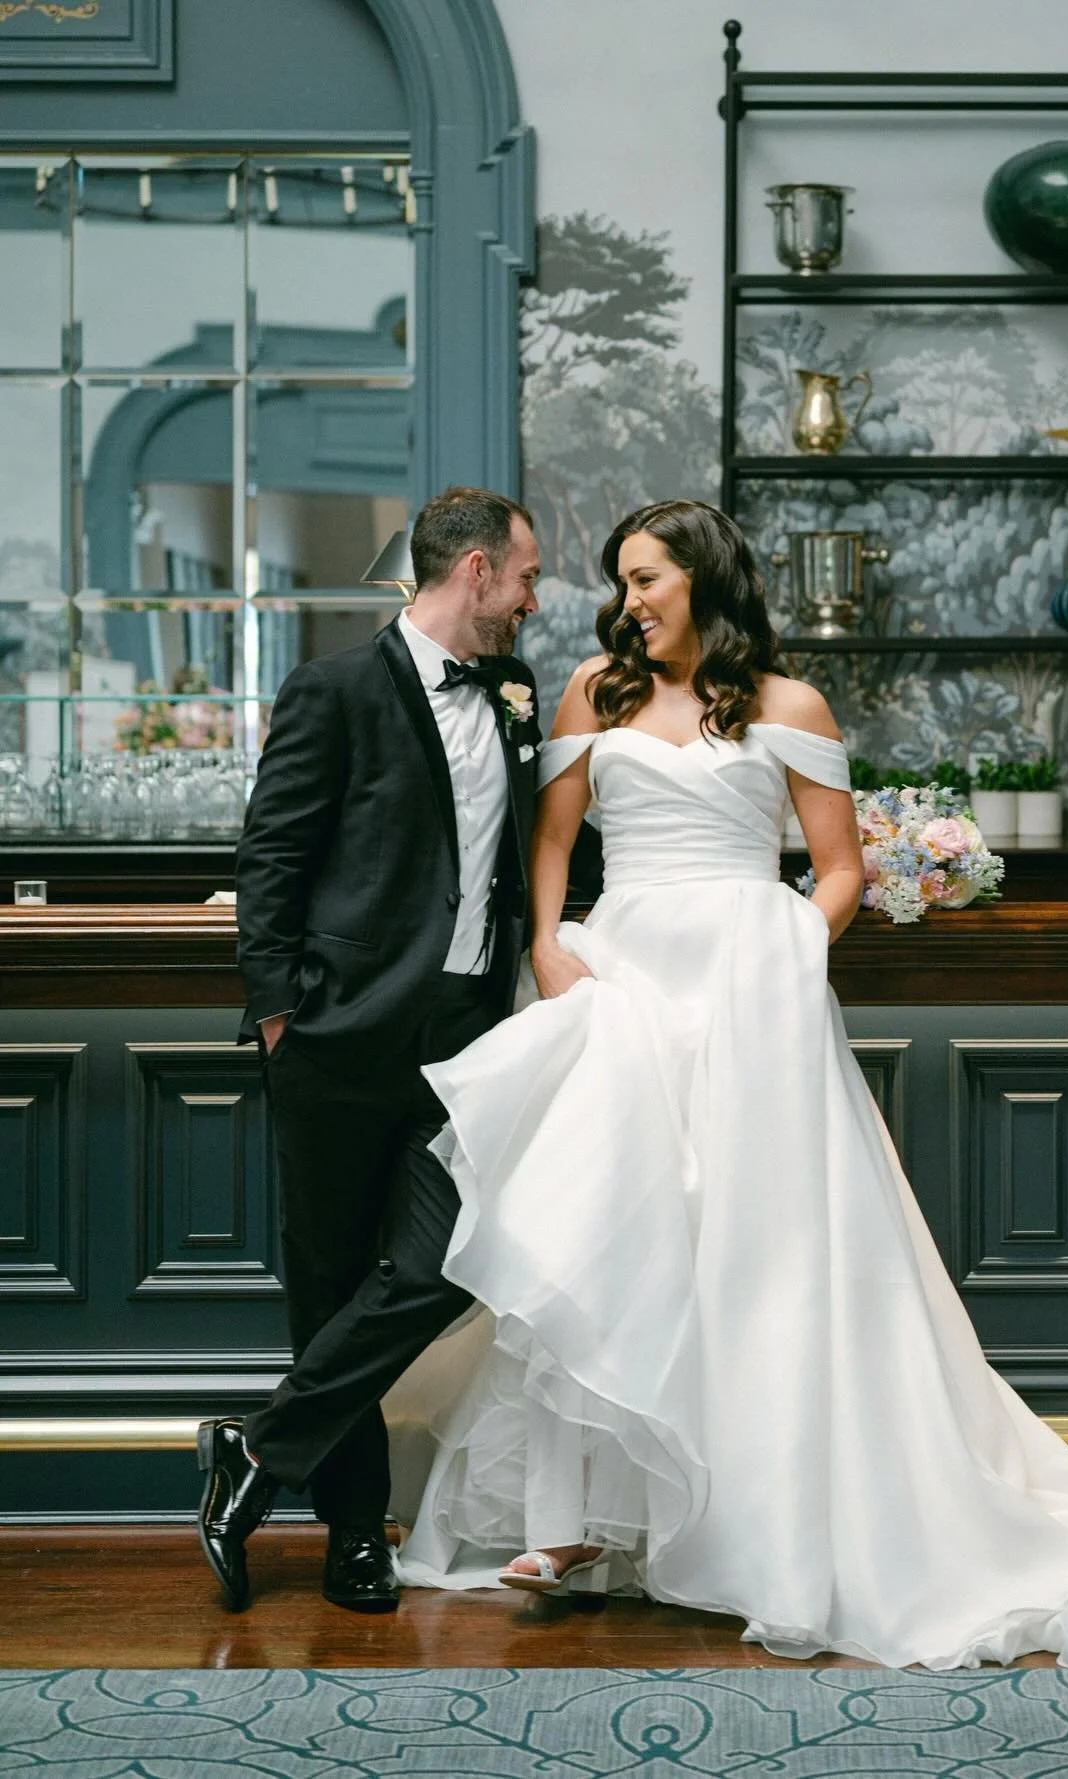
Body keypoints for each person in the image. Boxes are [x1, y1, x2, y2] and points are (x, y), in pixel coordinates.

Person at [391, 498, 1068, 1670]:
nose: (628, 601)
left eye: (648, 580)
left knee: (758, 1258)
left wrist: (785, 952)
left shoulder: (790, 707)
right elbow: (550, 845)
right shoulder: (595, 691)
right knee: (597, 1236)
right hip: (622, 980)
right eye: (622, 582)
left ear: (706, 579)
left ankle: (757, 1523)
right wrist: (549, 947)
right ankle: (569, 1525)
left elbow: (836, 870)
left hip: (751, 991)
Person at [198, 486, 543, 1615]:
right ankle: (355, 1534)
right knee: (333, 1282)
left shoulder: (515, 701)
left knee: (446, 1262)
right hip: (338, 1041)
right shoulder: (334, 688)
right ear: (477, 572)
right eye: (527, 576)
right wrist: (284, 1013)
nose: (536, 598)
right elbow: (273, 859)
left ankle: (254, 1453)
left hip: (471, 1044)